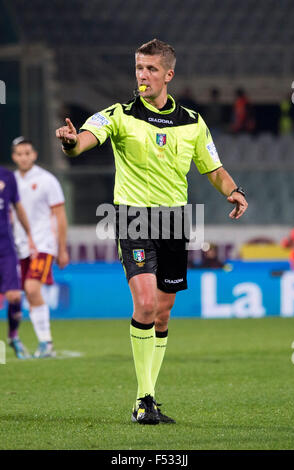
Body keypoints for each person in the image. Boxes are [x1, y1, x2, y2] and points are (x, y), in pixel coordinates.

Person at [56, 38, 248, 425]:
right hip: (133, 217)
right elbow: (84, 142)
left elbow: (212, 168)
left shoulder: (193, 122)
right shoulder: (118, 114)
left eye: (150, 69)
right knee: (144, 304)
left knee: (162, 313)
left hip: (175, 220)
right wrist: (72, 143)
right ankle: (142, 398)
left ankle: (151, 397)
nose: (142, 76)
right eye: (138, 68)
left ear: (168, 75)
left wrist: (234, 190)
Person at [11, 137, 69, 358]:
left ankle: (46, 343)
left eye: (27, 152)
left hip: (44, 244)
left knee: (33, 289)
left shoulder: (47, 180)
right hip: (20, 246)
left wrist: (62, 248)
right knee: (28, 292)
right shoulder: (11, 182)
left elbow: (60, 216)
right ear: (14, 157)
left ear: (34, 155)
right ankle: (45, 343)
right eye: (19, 153)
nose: (23, 157)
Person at [0, 165, 36, 358]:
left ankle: (13, 336)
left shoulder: (7, 176)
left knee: (14, 296)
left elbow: (18, 206)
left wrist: (30, 234)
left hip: (5, 247)